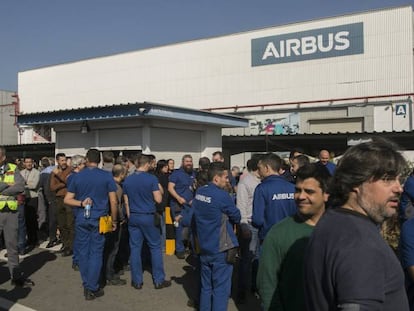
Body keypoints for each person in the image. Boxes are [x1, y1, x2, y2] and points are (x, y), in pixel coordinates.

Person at [304, 138, 410, 310]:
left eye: (399, 179)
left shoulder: (333, 222)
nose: (399, 188)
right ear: (355, 183)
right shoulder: (359, 241)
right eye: (387, 179)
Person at [257, 164, 330, 311]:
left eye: (309, 191)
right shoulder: (279, 233)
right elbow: (267, 286)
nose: (301, 196)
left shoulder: (343, 230)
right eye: (297, 190)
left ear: (326, 194)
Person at [64, 148, 118, 300]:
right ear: (100, 160)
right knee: (96, 252)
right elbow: (113, 201)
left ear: (86, 160)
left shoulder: (77, 177)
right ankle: (91, 286)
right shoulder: (107, 176)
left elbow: (67, 199)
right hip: (100, 218)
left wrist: (81, 203)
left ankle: (87, 281)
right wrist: (114, 220)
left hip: (82, 217)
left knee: (83, 252)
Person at [193, 162, 241, 311]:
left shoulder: (200, 192)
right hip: (220, 247)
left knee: (206, 287)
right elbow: (237, 216)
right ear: (216, 178)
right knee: (221, 290)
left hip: (204, 245)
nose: (228, 180)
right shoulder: (222, 195)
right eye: (225, 178)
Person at [123, 154, 171, 290]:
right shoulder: (151, 178)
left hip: (133, 216)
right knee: (155, 247)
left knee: (135, 248)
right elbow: (158, 199)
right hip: (148, 215)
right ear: (147, 164)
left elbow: (126, 201)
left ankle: (137, 280)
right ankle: (158, 279)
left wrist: (129, 215)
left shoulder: (128, 180)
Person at [0, 146, 34, 286]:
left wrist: (3, 189)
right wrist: (7, 184)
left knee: (12, 245)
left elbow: (20, 187)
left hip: (10, 213)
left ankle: (15, 276)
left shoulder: (13, 168)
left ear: (2, 157)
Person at [252, 153, 296, 241]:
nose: (258, 171)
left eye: (259, 168)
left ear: (267, 168)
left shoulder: (262, 188)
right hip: (291, 236)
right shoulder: (293, 187)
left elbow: (258, 220)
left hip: (269, 238)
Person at [236, 154, 262, 303]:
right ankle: (242, 290)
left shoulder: (263, 181)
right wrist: (243, 225)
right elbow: (241, 205)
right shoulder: (245, 182)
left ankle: (255, 286)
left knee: (258, 258)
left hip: (261, 225)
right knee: (246, 259)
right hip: (250, 225)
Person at [168, 154, 196, 259]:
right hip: (178, 205)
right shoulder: (176, 174)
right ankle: (179, 250)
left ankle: (192, 249)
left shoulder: (193, 173)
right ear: (182, 162)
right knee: (179, 227)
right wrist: (179, 198)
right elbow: (170, 188)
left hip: (191, 205)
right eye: (187, 161)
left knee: (192, 226)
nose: (189, 163)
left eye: (190, 161)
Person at [50, 153, 73, 256]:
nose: (64, 162)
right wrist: (62, 183)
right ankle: (65, 244)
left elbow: (69, 182)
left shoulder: (70, 170)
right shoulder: (53, 172)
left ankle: (71, 246)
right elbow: (52, 187)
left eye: (65, 160)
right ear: (57, 161)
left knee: (70, 223)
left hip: (68, 198)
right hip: (59, 199)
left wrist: (59, 175)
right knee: (62, 224)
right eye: (62, 160)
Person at [20, 156, 40, 249]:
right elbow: (19, 184)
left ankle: (35, 239)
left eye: (30, 162)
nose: (28, 164)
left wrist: (24, 185)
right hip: (24, 198)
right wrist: (26, 185)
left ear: (33, 163)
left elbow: (34, 185)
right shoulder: (21, 173)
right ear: (24, 163)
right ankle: (29, 239)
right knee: (26, 220)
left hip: (33, 197)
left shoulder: (36, 172)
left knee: (33, 219)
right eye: (26, 162)